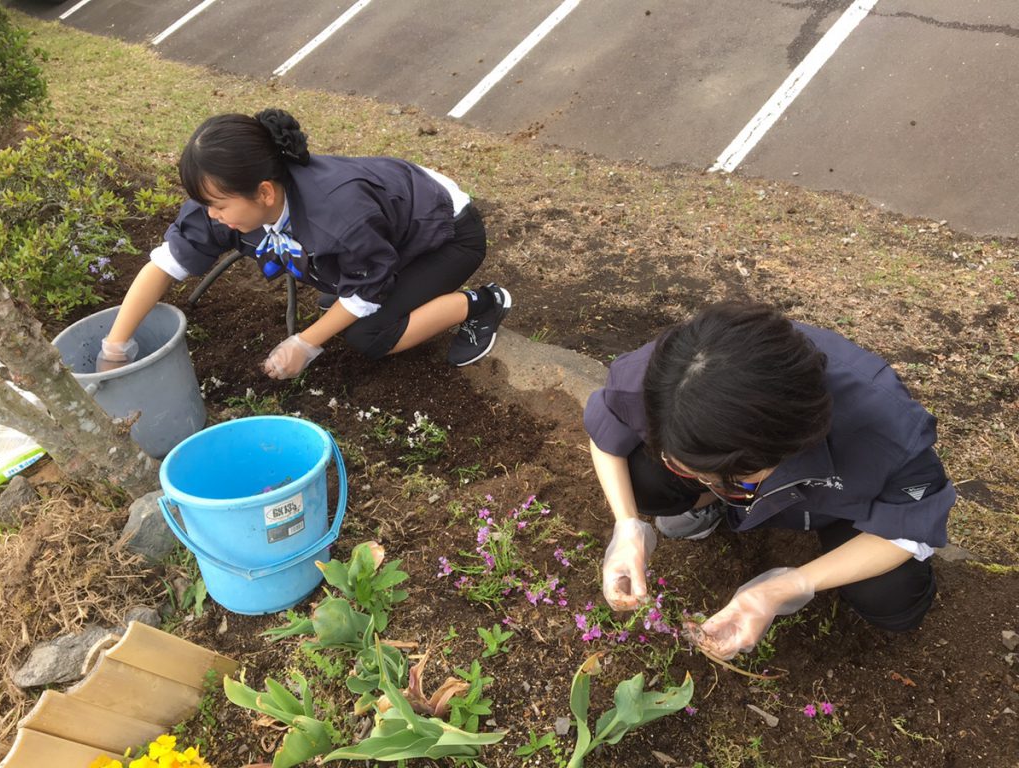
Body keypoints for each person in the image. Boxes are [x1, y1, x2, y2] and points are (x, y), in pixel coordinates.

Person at [585, 301, 956, 660]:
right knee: (642, 477)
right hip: (755, 469)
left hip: (839, 505)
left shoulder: (884, 426)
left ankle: (789, 514)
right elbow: (608, 430)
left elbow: (909, 528)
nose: (709, 482)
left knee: (891, 597)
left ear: (791, 444)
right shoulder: (666, 379)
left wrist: (789, 586)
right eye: (692, 472)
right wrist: (627, 525)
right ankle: (715, 507)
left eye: (734, 478)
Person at [97, 108, 510, 377]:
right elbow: (165, 263)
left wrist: (305, 342)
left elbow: (368, 287)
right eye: (204, 204)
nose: (210, 215)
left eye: (217, 205)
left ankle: (483, 303)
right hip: (389, 228)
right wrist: (115, 346)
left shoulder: (336, 216)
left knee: (369, 336)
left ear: (264, 193)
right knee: (337, 295)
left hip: (444, 232)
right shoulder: (228, 201)